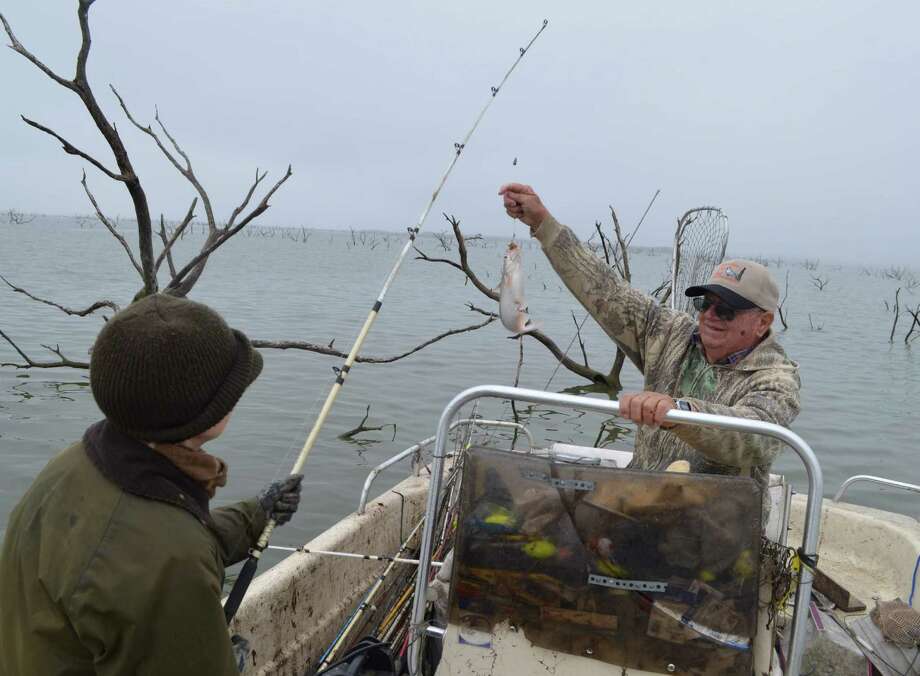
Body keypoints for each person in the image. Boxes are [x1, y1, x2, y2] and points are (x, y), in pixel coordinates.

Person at [0, 293, 303, 675]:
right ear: (197, 413)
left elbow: (142, 545)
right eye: (230, 387)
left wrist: (256, 515)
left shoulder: (72, 467)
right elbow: (158, 555)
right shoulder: (169, 558)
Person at [499, 183, 800, 492]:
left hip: (714, 522)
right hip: (639, 497)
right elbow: (606, 291)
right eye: (705, 303)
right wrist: (542, 222)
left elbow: (755, 438)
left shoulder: (776, 380)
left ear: (762, 322)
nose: (709, 315)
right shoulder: (671, 334)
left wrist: (679, 412)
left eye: (726, 310)